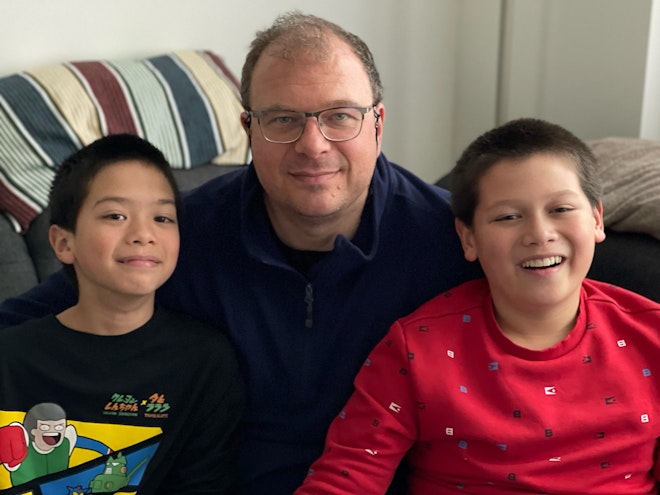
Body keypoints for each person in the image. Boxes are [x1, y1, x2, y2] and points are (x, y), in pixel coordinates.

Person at [0, 12, 476, 494]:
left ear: (377, 123)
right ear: (249, 128)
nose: (313, 145)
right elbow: (42, 317)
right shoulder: (179, 234)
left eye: (340, 116)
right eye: (284, 120)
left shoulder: (453, 239)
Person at [294, 118, 660, 494]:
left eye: (561, 209)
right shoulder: (416, 347)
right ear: (468, 238)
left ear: (596, 218)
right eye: (508, 217)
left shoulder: (652, 335)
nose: (539, 234)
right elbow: (348, 476)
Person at [0, 134, 244, 494]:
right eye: (115, 215)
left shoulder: (204, 362)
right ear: (63, 243)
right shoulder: (10, 355)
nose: (143, 234)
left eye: (162, 217)